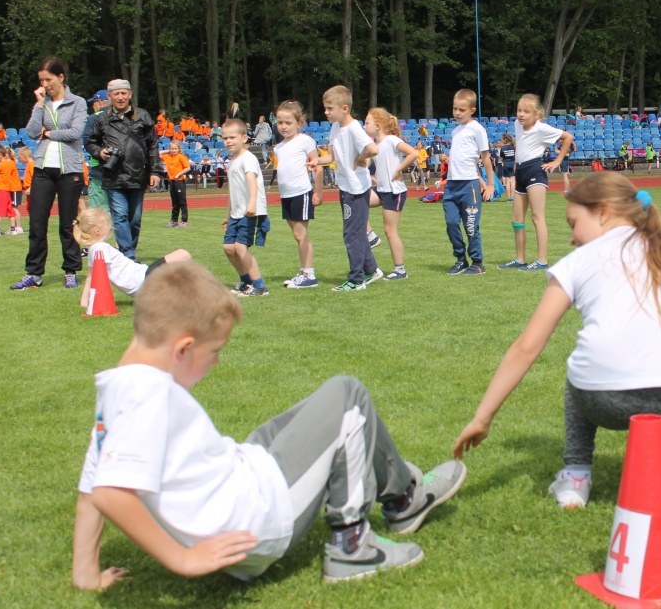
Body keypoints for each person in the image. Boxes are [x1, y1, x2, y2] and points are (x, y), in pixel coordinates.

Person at [71, 260, 468, 590]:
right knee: (348, 396)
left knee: (307, 417)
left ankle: (404, 494)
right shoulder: (148, 394)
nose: (217, 362)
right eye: (215, 352)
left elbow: (90, 488)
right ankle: (354, 545)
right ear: (183, 349)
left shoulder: (120, 386)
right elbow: (109, 493)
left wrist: (86, 573)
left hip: (240, 480)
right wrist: (184, 559)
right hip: (257, 519)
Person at [454, 172, 661, 516]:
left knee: (578, 368)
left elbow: (527, 346)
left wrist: (483, 418)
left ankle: (575, 476)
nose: (571, 239)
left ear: (602, 212)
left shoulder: (574, 263)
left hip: (598, 401)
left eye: (573, 223)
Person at [11, 57, 88, 291]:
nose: (45, 84)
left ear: (61, 77)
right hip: (43, 169)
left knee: (67, 223)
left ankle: (71, 270)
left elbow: (75, 133)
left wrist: (48, 133)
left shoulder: (78, 102)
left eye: (49, 79)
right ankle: (33, 273)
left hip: (70, 170)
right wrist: (39, 105)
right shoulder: (42, 104)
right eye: (41, 81)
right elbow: (32, 131)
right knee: (36, 223)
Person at [310, 85, 381, 292]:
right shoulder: (335, 128)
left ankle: (356, 280)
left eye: (329, 108)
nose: (326, 112)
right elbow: (331, 156)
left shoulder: (353, 128)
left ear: (345, 108)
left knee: (352, 235)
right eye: (325, 108)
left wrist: (360, 158)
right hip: (346, 187)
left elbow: (372, 148)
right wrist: (317, 162)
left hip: (357, 189)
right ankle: (371, 269)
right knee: (356, 233)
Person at [85, 79, 161, 262]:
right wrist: (99, 152)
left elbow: (153, 145)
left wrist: (156, 172)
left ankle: (129, 249)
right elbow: (90, 142)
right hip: (113, 176)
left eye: (123, 93)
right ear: (109, 96)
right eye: (116, 93)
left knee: (134, 219)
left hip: (138, 175)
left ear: (130, 94)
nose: (120, 97)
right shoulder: (101, 119)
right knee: (119, 216)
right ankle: (128, 255)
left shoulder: (143, 116)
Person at [497, 94, 572, 273]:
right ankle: (520, 259)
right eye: (519, 110)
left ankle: (542, 261)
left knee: (537, 217)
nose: (521, 114)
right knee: (516, 220)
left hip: (535, 172)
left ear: (537, 114)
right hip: (520, 172)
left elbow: (568, 137)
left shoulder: (542, 128)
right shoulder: (517, 124)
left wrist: (557, 162)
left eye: (526, 111)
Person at [74, 208, 190, 306]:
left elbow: (90, 277)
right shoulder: (101, 248)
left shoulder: (93, 249)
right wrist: (105, 301)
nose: (110, 226)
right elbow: (101, 277)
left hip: (141, 284)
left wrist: (84, 302)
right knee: (183, 254)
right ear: (97, 230)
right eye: (107, 224)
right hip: (143, 280)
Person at [442, 89, 494, 276]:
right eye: (455, 108)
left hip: (469, 186)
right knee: (451, 223)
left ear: (472, 110)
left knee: (471, 226)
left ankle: (478, 263)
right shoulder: (455, 130)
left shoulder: (477, 129)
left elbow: (485, 158)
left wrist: (489, 184)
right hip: (452, 185)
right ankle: (460, 259)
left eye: (462, 110)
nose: (457, 113)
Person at [272, 100, 321, 289]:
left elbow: (317, 167)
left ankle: (309, 274)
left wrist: (317, 192)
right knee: (297, 235)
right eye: (280, 122)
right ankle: (304, 272)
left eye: (288, 122)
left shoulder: (305, 141)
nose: (283, 126)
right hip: (287, 195)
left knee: (301, 235)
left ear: (299, 123)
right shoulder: (278, 147)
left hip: (301, 192)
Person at [365, 107, 418, 281]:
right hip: (382, 190)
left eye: (367, 123)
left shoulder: (391, 140)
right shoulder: (375, 146)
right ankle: (371, 236)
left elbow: (413, 153)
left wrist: (398, 170)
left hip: (394, 192)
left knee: (390, 231)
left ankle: (400, 270)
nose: (364, 126)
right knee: (356, 201)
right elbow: (364, 164)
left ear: (378, 125)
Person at [221, 119, 270, 298]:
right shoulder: (233, 161)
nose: (228, 141)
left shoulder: (248, 158)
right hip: (237, 212)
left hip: (249, 211)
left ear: (244, 137)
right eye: (225, 138)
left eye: (232, 137)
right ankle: (246, 281)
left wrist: (252, 204)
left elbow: (252, 182)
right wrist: (228, 214)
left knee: (241, 248)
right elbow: (232, 191)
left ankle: (260, 286)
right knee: (228, 247)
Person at [82, 90, 111, 213]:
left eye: (93, 103)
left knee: (98, 214)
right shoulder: (125, 116)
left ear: (99, 102)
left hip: (99, 171)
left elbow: (87, 141)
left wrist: (100, 152)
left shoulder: (93, 118)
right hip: (122, 173)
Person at [0, 146, 22, 236]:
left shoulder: (1, 165)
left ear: (0, 155)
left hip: (0, 189)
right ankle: (13, 229)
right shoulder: (9, 164)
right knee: (10, 209)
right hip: (7, 189)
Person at [161, 141, 191, 228]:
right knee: (175, 202)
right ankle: (174, 220)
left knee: (182, 202)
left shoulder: (180, 157)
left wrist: (179, 174)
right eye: (172, 149)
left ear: (179, 149)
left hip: (179, 181)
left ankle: (184, 221)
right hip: (172, 181)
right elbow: (158, 153)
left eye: (175, 149)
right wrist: (168, 151)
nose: (173, 150)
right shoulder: (167, 157)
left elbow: (188, 167)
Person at [497, 133, 516, 202]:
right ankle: (512, 197)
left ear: (505, 139)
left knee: (507, 181)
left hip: (505, 164)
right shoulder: (513, 146)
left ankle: (509, 197)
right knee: (513, 181)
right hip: (512, 164)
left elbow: (501, 157)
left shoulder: (503, 148)